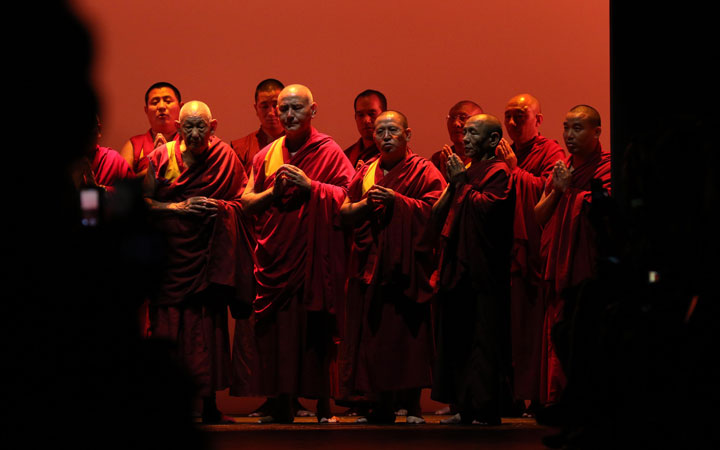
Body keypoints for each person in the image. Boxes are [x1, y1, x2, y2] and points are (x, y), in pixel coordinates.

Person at [240, 84, 355, 423]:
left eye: (296, 109)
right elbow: (246, 203)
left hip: (311, 258)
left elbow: (348, 197)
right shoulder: (267, 155)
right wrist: (273, 193)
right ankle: (281, 403)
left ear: (313, 110)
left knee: (314, 329)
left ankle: (321, 405)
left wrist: (312, 188)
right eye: (282, 108)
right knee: (277, 334)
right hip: (276, 254)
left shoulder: (329, 150)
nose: (287, 115)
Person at [143, 100, 255, 424]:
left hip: (207, 261)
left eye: (200, 126)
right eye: (188, 126)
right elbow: (145, 201)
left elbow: (240, 203)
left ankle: (209, 406)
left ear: (213, 126)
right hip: (171, 260)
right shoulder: (160, 157)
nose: (194, 133)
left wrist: (220, 208)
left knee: (206, 333)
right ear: (178, 128)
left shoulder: (225, 158)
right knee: (168, 331)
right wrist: (176, 209)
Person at [339, 110, 445, 424]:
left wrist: (398, 202)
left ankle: (411, 406)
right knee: (374, 339)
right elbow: (344, 211)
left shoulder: (423, 170)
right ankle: (379, 405)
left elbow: (436, 209)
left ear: (407, 135)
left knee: (407, 338)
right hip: (370, 266)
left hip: (406, 269)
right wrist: (364, 206)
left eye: (393, 131)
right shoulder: (367, 171)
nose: (385, 137)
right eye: (380, 132)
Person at [430, 114, 514, 425]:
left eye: (473, 134)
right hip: (458, 265)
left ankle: (486, 409)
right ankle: (463, 406)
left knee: (483, 341)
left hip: (483, 269)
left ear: (493, 140)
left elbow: (488, 211)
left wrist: (461, 183)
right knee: (459, 338)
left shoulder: (499, 172)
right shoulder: (466, 170)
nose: (464, 139)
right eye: (464, 133)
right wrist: (457, 182)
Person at [534, 104, 611, 406]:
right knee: (561, 333)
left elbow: (604, 213)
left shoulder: (607, 167)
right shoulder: (564, 168)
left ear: (597, 132)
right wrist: (558, 190)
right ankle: (560, 401)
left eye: (577, 128)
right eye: (566, 127)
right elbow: (539, 215)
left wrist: (573, 194)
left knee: (588, 336)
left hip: (589, 269)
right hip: (562, 267)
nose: (568, 135)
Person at [497, 93, 565, 412]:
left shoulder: (549, 151)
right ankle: (509, 396)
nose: (512, 123)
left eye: (520, 116)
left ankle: (537, 397)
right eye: (508, 116)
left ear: (538, 120)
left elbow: (547, 192)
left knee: (531, 329)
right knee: (507, 331)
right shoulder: (502, 151)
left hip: (533, 254)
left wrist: (514, 169)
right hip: (507, 252)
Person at [120, 82, 183, 179]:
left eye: (168, 101)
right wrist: (153, 167)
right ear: (146, 110)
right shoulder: (134, 145)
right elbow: (124, 186)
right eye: (154, 102)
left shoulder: (189, 140)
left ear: (180, 107)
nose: (161, 106)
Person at [231, 78, 285, 175]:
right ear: (256, 108)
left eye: (275, 105)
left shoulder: (299, 144)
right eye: (264, 106)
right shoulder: (240, 149)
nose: (271, 113)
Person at [71, 116, 134, 194]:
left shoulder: (113, 160)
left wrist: (101, 190)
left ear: (99, 130)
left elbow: (133, 194)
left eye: (89, 129)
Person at [430, 101, 483, 179]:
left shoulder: (490, 158)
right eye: (452, 118)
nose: (455, 123)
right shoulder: (439, 159)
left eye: (462, 118)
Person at [344, 89, 387, 168]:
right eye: (360, 115)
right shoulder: (346, 157)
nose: (366, 120)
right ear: (355, 117)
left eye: (372, 114)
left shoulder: (395, 154)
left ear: (385, 115)